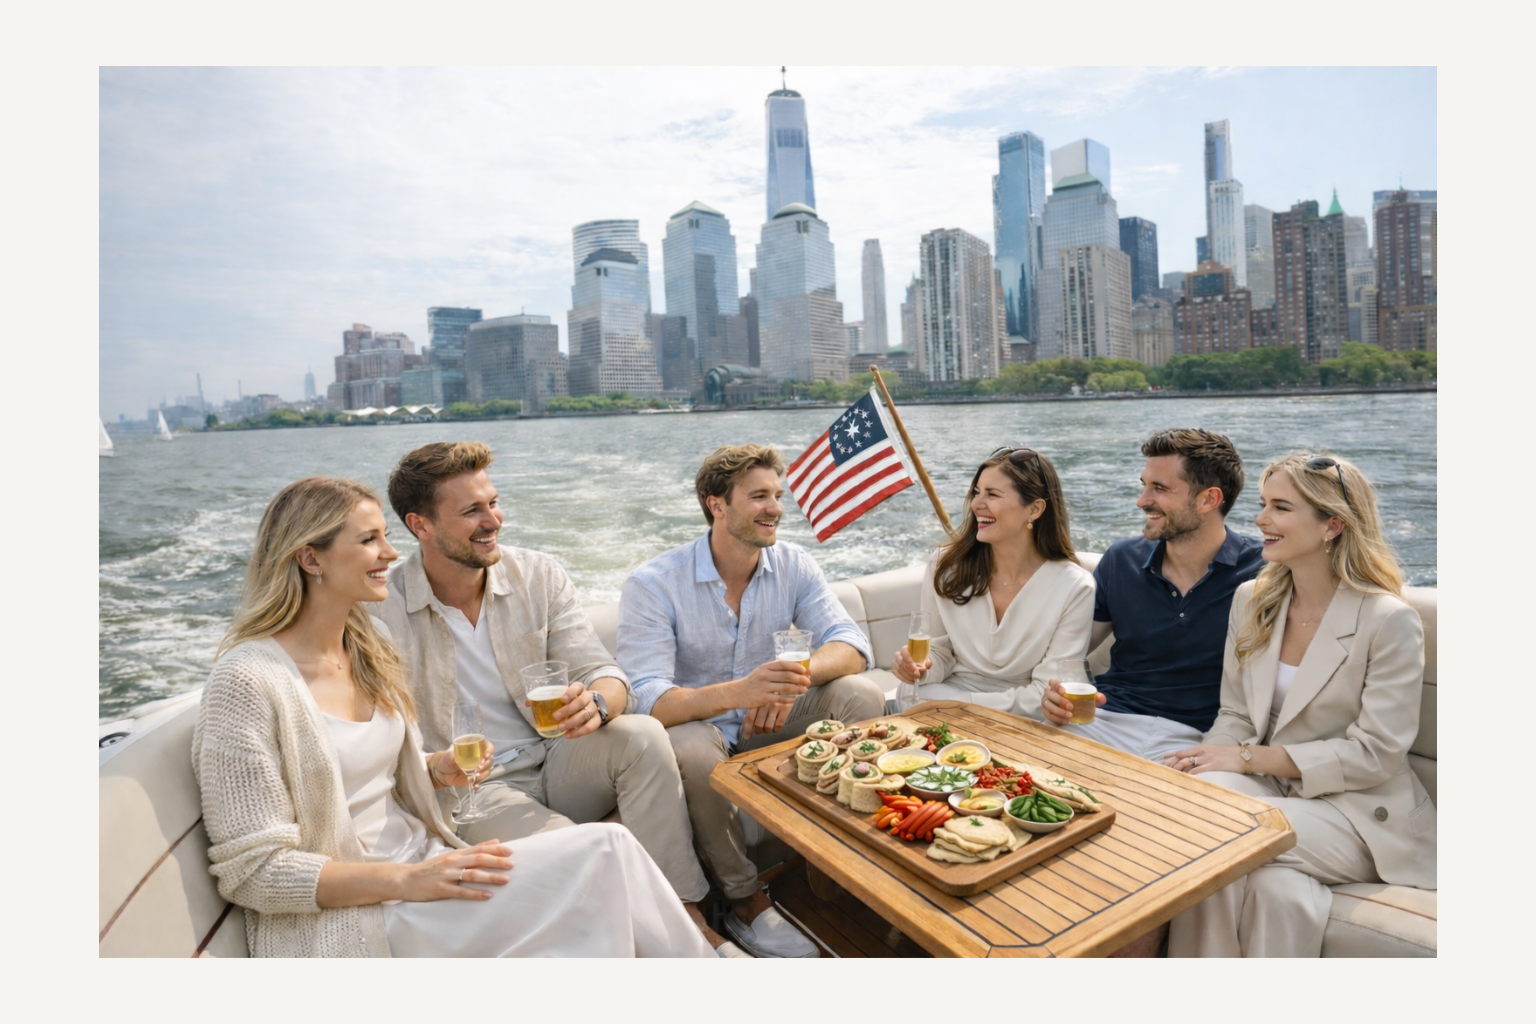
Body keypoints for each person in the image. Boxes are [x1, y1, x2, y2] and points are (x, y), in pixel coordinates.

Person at [191, 477, 715, 957]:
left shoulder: (362, 647)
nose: (391, 552)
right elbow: (254, 872)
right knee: (602, 856)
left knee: (609, 853)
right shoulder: (247, 682)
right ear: (311, 559)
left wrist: (436, 767)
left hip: (435, 855)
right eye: (369, 540)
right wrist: (408, 879)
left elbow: (371, 774)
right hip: (372, 911)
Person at [375, 442, 724, 948]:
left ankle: (688, 915)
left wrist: (599, 703)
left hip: (557, 755)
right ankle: (669, 949)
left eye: (492, 502)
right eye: (471, 510)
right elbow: (380, 742)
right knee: (584, 851)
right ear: (420, 525)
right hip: (472, 787)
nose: (493, 519)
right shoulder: (378, 612)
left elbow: (603, 671)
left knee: (642, 735)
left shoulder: (538, 574)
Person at [617, 443, 885, 958]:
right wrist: (741, 692)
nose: (776, 508)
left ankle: (845, 861)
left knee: (860, 694)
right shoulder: (653, 585)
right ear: (716, 504)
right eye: (759, 496)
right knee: (693, 748)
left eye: (778, 496)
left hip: (775, 717)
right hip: (704, 729)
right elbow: (647, 699)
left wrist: (793, 677)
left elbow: (852, 644)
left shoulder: (794, 564)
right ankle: (745, 902)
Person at [1163, 454, 1434, 957]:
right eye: (1264, 504)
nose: (1261, 519)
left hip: (1357, 812)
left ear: (1332, 525)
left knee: (1220, 834)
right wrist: (1207, 760)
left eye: (1280, 508)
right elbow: (1237, 715)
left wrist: (1245, 759)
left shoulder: (1388, 620)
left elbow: (1377, 754)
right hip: (1275, 789)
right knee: (1216, 827)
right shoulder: (1252, 598)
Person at [1040, 428, 1264, 760]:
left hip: (1202, 739)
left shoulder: (1263, 570)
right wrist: (1054, 695)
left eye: (1159, 488)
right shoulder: (1121, 560)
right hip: (1104, 720)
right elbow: (1070, 652)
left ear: (1209, 500)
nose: (1142, 500)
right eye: (1144, 485)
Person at [890, 446, 1094, 719]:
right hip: (944, 695)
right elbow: (940, 653)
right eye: (976, 492)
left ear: (1034, 508)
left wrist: (963, 704)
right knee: (910, 694)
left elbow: (1047, 693)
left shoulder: (1074, 587)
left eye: (992, 494)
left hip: (1020, 712)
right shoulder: (945, 567)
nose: (976, 504)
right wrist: (919, 667)